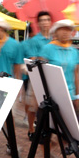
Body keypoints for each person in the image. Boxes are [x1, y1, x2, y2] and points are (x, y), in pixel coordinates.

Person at [40, 19, 79, 110]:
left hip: (70, 94)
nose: (65, 32)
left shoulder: (74, 52)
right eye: (62, 29)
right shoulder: (47, 49)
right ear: (55, 32)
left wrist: (77, 95)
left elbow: (76, 75)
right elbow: (41, 73)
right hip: (52, 94)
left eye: (68, 29)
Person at [24, 12, 53, 140]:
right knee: (32, 106)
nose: (45, 22)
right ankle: (31, 128)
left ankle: (45, 129)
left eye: (47, 20)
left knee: (48, 105)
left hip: (52, 77)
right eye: (42, 20)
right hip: (37, 77)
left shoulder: (55, 39)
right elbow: (32, 58)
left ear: (50, 22)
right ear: (38, 23)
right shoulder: (34, 40)